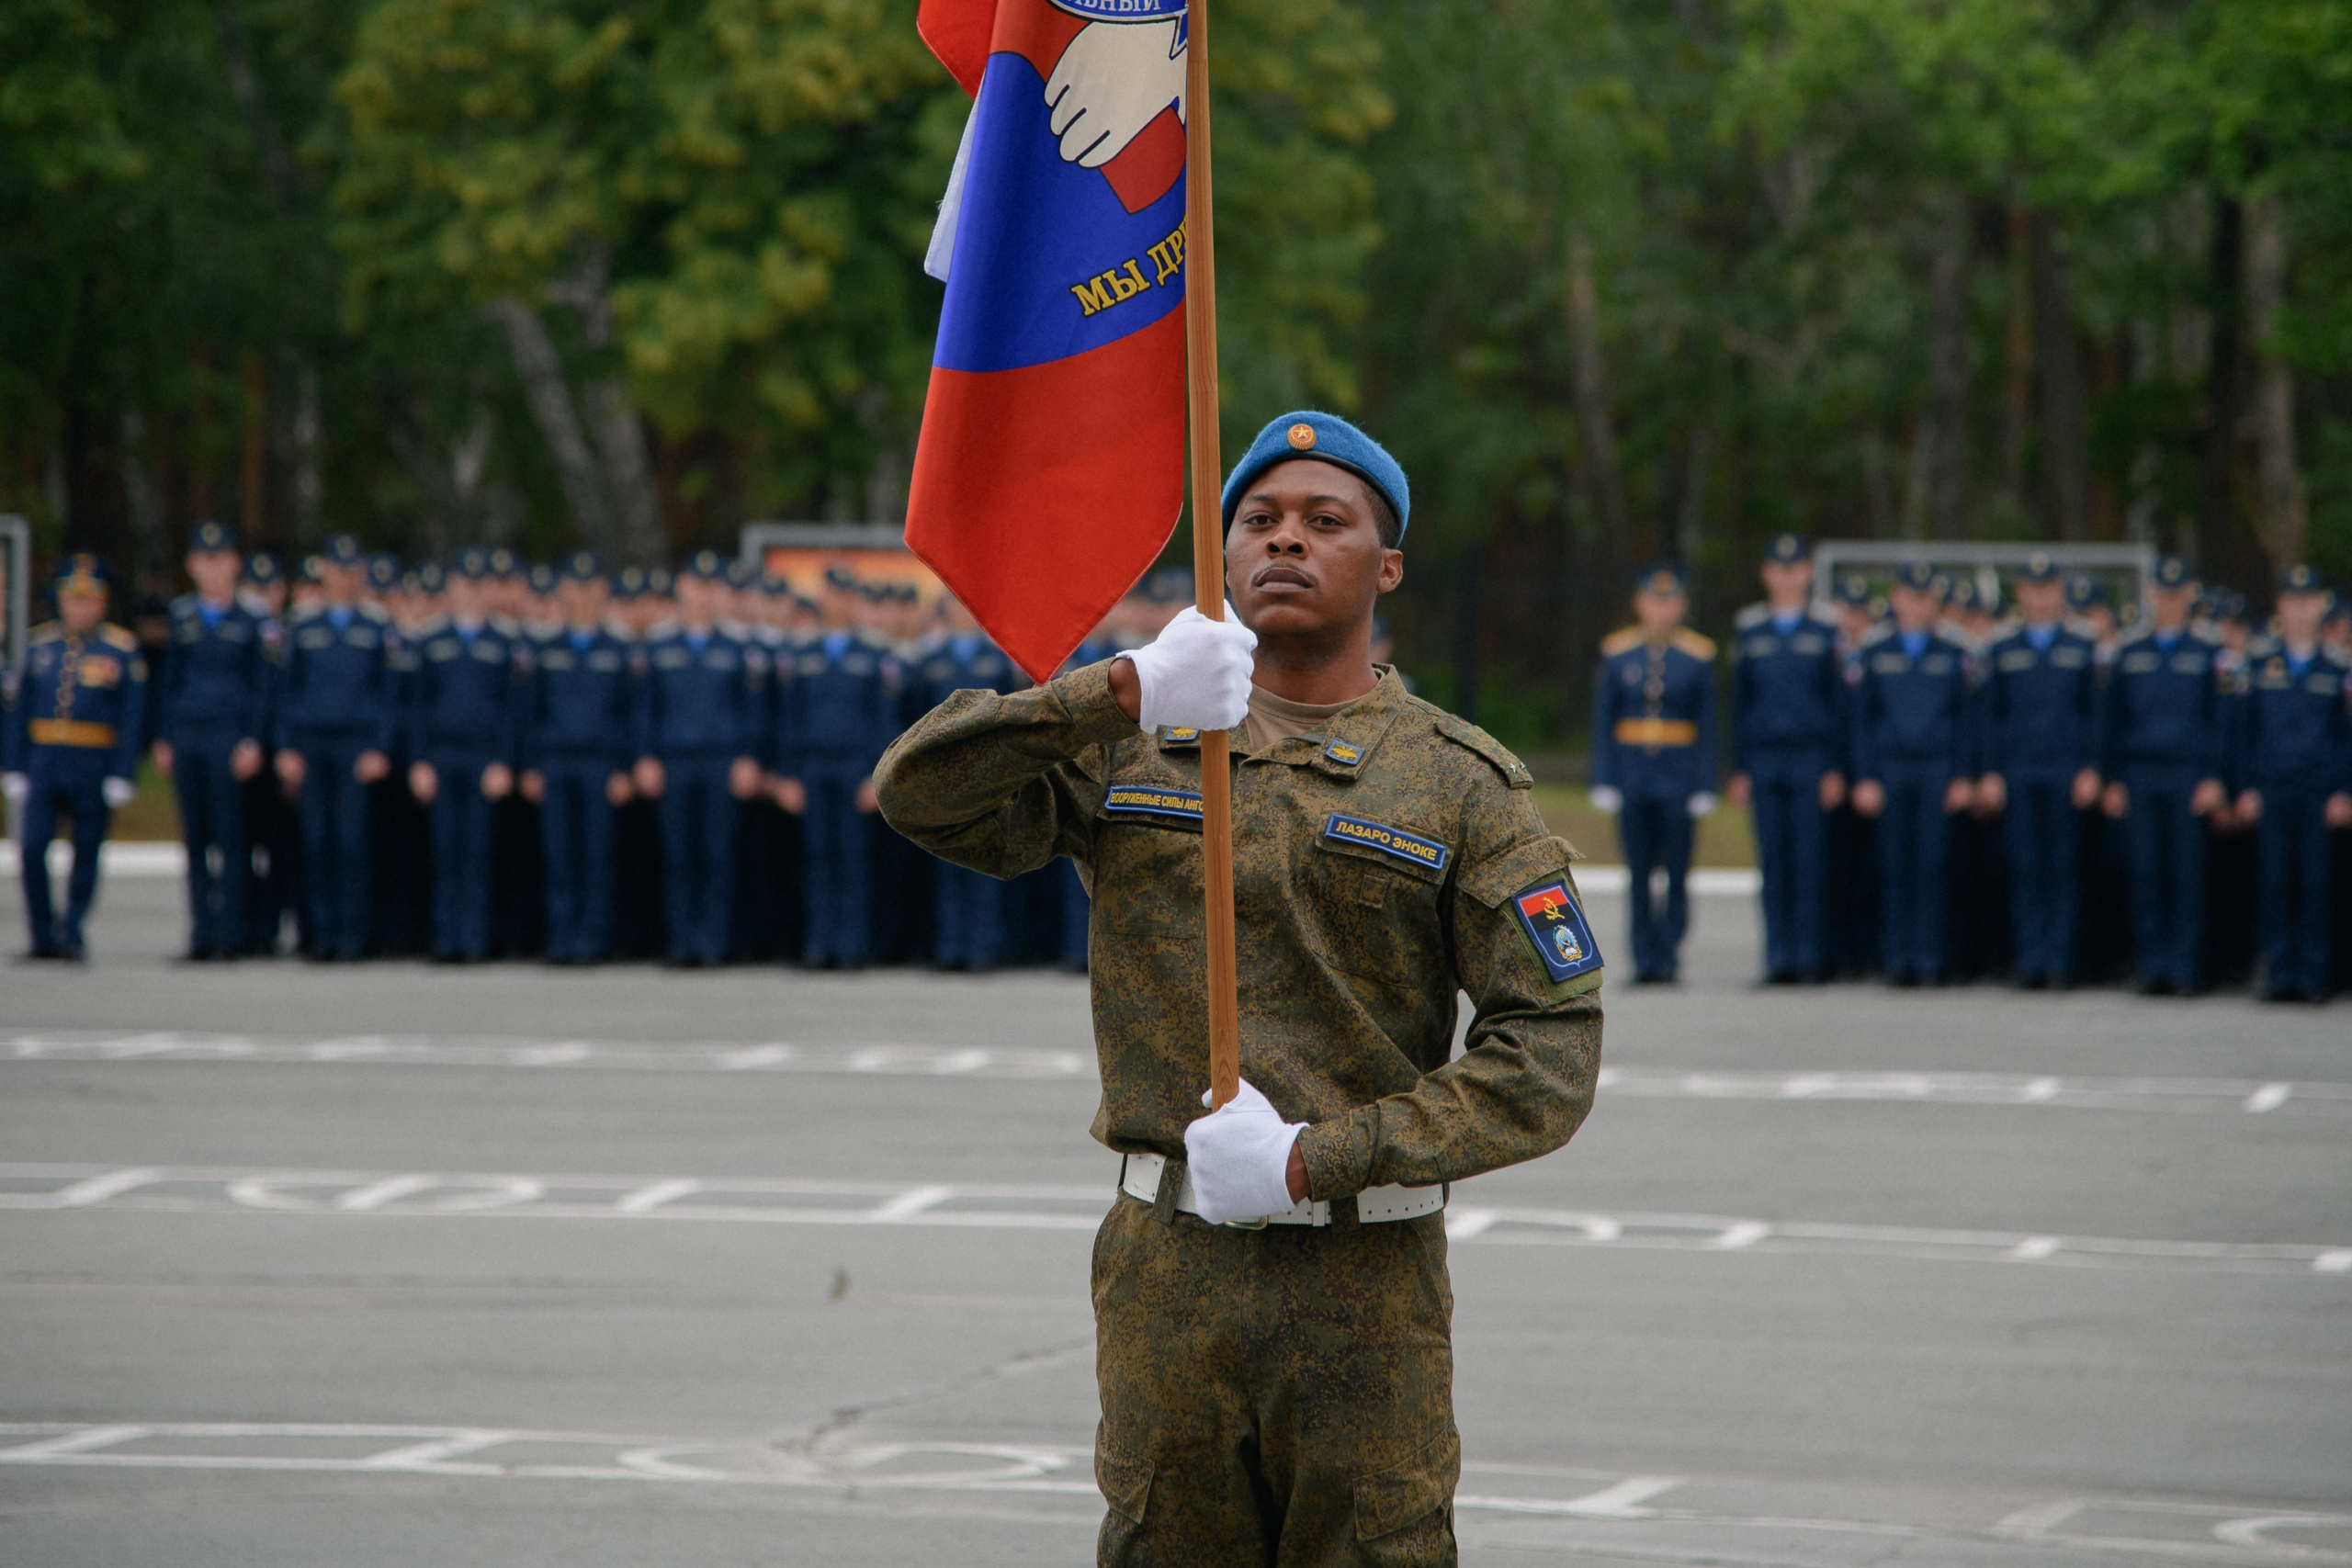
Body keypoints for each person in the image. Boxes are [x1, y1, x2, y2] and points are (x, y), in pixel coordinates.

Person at [877, 410, 1600, 1565]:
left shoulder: (1462, 786)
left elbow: (1549, 1056)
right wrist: (1114, 690)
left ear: (1388, 564)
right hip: (1171, 1270)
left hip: (1364, 1281)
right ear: (1220, 557)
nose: (1285, 541)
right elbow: (921, 796)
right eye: (1257, 520)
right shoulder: (1139, 743)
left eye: (1326, 521)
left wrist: (1321, 1155)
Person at [3, 554, 148, 960]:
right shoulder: (39, 646)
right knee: (32, 848)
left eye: (88, 599)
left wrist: (123, 771)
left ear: (101, 603)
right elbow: (18, 710)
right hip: (45, 760)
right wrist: (13, 764)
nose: (79, 606)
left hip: (92, 760)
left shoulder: (120, 650)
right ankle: (41, 934)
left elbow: (132, 716)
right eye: (72, 598)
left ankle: (73, 929)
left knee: (87, 848)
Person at [2100, 556, 2230, 995]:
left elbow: (2221, 722)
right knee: (2147, 873)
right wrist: (2114, 778)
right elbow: (2112, 721)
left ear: (2188, 597)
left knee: (2187, 875)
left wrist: (2214, 777)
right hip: (2141, 773)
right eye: (2162, 594)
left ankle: (2186, 967)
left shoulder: (2210, 652)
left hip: (2189, 776)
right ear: (2150, 596)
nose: (2169, 603)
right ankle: (2153, 965)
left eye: (2177, 595)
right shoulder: (2130, 650)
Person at [634, 550, 766, 966]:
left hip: (721, 762)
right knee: (677, 854)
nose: (704, 595)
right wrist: (644, 757)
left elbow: (752, 710)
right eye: (696, 585)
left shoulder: (738, 647)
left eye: (711, 587)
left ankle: (711, 942)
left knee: (717, 854)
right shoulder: (659, 645)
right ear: (682, 587)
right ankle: (680, 942)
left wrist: (749, 756)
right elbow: (644, 708)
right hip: (674, 761)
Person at [1975, 552, 2101, 987]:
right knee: (2026, 868)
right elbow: (1991, 716)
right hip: (2020, 768)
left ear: (2060, 592)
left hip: (2066, 769)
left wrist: (2092, 767)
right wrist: (1990, 772)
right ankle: (2032, 959)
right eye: (2033, 587)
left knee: (2063, 868)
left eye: (2049, 587)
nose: (2041, 596)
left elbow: (2093, 714)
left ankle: (2061, 961)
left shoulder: (2082, 645)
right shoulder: (2002, 646)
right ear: (2021, 593)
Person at [273, 534, 401, 961]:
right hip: (311, 745)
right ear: (323, 570)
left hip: (356, 746)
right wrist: (286, 747)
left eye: (351, 570)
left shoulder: (377, 625)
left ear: (360, 573)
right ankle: (320, 935)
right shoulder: (303, 624)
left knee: (352, 841)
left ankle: (352, 937)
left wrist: (380, 747)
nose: (343, 578)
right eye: (335, 568)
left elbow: (388, 694)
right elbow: (286, 691)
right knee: (315, 839)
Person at [1589, 562, 1718, 984]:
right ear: (1639, 604)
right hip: (1633, 775)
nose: (1661, 610)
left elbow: (1709, 726)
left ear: (1680, 606)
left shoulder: (1699, 656)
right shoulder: (1617, 651)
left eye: (1670, 602)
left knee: (1677, 871)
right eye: (1654, 601)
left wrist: (1704, 782)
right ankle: (1644, 958)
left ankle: (1669, 954)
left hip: (1678, 777)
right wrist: (1604, 777)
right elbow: (1604, 720)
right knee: (1639, 871)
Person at [152, 522, 276, 960]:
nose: (212, 568)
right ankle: (202, 933)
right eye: (204, 560)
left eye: (220, 559)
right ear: (191, 565)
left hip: (228, 735)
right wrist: (164, 735)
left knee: (231, 837)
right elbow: (169, 680)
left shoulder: (253, 618)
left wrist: (252, 740)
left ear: (235, 564)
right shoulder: (183, 616)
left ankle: (232, 932)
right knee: (197, 838)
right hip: (188, 733)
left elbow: (262, 686)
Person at [1849, 562, 1977, 985]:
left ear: (1936, 602)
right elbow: (1862, 719)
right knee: (1894, 866)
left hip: (1937, 767)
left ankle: (1930, 957)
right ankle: (1898, 957)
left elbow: (1967, 719)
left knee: (1933, 866)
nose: (1918, 605)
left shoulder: (1955, 651)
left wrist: (1963, 775)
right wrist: (1865, 776)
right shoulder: (1874, 649)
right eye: (1910, 595)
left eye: (1926, 597)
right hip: (1890, 767)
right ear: (1896, 598)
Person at [2232, 565, 2352, 1002]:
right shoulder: (2260, 663)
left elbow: (2346, 737)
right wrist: (2246, 786)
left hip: (2318, 792)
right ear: (2281, 606)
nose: (2300, 611)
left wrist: (2344, 790)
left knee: (2315, 885)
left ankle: (2313, 973)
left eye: (2308, 602)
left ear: (2319, 606)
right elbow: (2245, 732)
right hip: (2273, 788)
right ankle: (2280, 970)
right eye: (2292, 602)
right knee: (2276, 882)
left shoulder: (2338, 668)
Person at [1727, 533, 1844, 983]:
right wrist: (1739, 767)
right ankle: (1778, 958)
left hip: (1811, 758)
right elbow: (1740, 702)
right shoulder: (1751, 628)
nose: (1787, 577)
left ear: (1808, 572)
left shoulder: (1825, 629)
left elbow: (1837, 704)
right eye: (1778, 568)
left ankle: (1809, 958)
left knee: (1810, 862)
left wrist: (1835, 766)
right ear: (1766, 573)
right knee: (1773, 863)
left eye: (1795, 568)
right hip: (1763, 758)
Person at [775, 567, 899, 969]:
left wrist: (876, 778)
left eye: (847, 595)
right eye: (832, 595)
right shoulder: (801, 655)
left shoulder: (874, 655)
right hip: (812, 766)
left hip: (854, 769)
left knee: (852, 859)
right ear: (822, 599)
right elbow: (789, 720)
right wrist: (788, 774)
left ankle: (850, 945)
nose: (839, 603)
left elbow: (885, 722)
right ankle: (818, 943)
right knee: (816, 858)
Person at [404, 548, 524, 962]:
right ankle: (445, 937)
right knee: (444, 850)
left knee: (477, 851)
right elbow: (418, 706)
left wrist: (504, 761)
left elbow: (512, 709)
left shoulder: (505, 640)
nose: (470, 594)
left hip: (483, 757)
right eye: (463, 585)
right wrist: (419, 760)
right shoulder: (432, 639)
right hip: (441, 754)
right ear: (452, 588)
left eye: (478, 586)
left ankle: (474, 938)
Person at [521, 552, 638, 964]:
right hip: (555, 761)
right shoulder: (544, 648)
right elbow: (531, 711)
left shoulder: (619, 647)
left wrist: (625, 766)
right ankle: (562, 937)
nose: (583, 596)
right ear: (563, 591)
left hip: (601, 763)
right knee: (559, 854)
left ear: (602, 591)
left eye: (590, 588)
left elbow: (630, 713)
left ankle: (593, 939)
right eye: (575, 587)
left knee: (597, 854)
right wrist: (531, 765)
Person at [913, 594, 1020, 969]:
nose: (963, 612)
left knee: (985, 855)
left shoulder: (997, 660)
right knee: (946, 861)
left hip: (987, 770)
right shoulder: (930, 661)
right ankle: (949, 947)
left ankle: (981, 948)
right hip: (941, 771)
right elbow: (913, 721)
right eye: (957, 605)